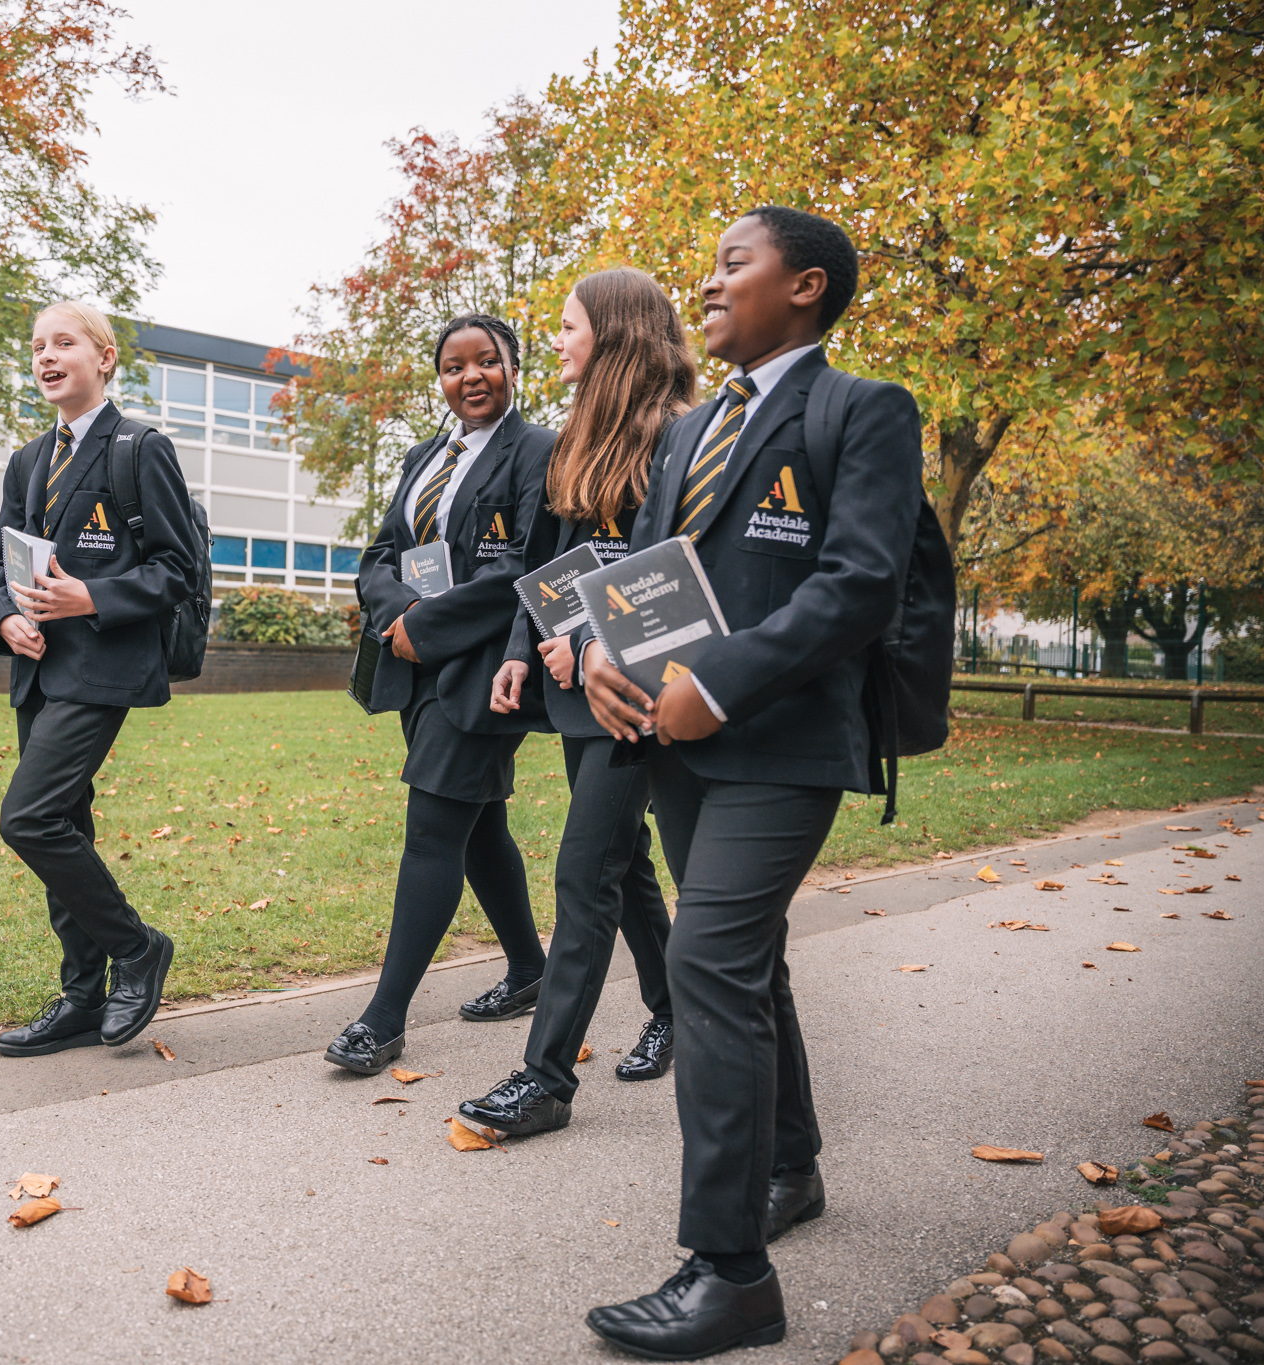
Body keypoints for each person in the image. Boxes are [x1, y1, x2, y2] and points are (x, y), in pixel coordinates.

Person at [577, 207, 924, 1360]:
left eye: (733, 264)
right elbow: (645, 572)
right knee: (748, 960)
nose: (709, 282)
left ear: (806, 287)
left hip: (782, 742)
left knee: (705, 962)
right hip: (672, 741)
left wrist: (714, 681)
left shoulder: (859, 410)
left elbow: (857, 585)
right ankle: (790, 1166)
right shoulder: (688, 427)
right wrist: (598, 654)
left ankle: (728, 1273)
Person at [458, 267, 694, 1139]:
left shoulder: (678, 438)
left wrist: (594, 640)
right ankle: (669, 1006)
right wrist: (525, 652)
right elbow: (544, 567)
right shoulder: (573, 440)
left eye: (567, 327)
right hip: (568, 680)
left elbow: (670, 578)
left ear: (616, 331)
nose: (554, 341)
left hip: (636, 687)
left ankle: (546, 1077)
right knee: (621, 859)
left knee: (583, 867)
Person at [323, 314, 556, 1077]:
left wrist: (432, 623)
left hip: (487, 665)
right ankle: (529, 968)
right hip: (416, 663)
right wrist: (399, 616)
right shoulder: (425, 456)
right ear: (441, 380)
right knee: (477, 822)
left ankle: (382, 1019)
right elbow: (382, 551)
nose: (472, 376)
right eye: (455, 367)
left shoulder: (539, 451)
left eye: (487, 361)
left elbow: (527, 563)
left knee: (432, 826)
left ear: (513, 366)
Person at [0, 300, 201, 1058]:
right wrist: (5, 618)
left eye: (63, 342)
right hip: (38, 673)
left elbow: (178, 571)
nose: (46, 355)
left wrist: (91, 595)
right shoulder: (26, 460)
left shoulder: (140, 448)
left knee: (28, 819)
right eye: (37, 345)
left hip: (103, 667)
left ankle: (137, 947)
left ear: (104, 358)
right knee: (65, 826)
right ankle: (81, 994)